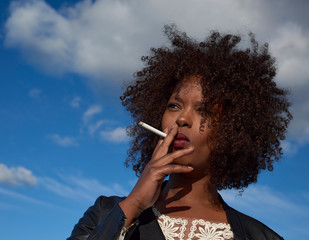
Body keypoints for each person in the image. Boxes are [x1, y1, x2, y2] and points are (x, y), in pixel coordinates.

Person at [67, 24, 292, 240]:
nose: (182, 118)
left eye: (203, 110)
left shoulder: (262, 237)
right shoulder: (105, 212)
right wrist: (134, 204)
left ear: (233, 129)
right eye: (174, 106)